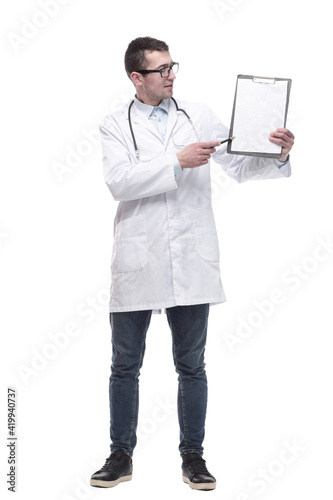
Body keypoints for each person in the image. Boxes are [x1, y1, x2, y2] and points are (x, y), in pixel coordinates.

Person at [90, 36, 295, 491]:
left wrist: (278, 152)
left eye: (172, 66)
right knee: (125, 364)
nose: (171, 75)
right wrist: (177, 161)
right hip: (138, 260)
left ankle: (194, 458)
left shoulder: (198, 114)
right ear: (136, 78)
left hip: (191, 256)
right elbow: (119, 183)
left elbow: (240, 168)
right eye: (160, 70)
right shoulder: (113, 124)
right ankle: (120, 455)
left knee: (192, 365)